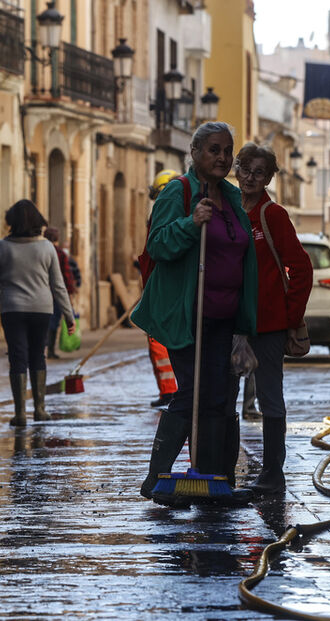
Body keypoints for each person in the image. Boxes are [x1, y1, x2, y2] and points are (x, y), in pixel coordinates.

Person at [130, 122, 257, 500]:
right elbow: (159, 244)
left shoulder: (232, 198)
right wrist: (191, 223)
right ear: (196, 153)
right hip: (187, 314)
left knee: (221, 396)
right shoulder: (178, 192)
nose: (222, 157)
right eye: (213, 149)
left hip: (225, 317)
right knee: (194, 392)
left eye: (227, 150)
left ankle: (217, 480)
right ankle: (156, 478)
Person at [228, 142, 312, 495]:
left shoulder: (272, 215)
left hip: (268, 324)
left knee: (269, 396)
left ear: (268, 178)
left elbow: (301, 267)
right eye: (245, 168)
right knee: (222, 393)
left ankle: (273, 473)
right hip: (230, 321)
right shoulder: (227, 208)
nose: (249, 176)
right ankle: (220, 468)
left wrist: (288, 315)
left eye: (258, 172)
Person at [0, 200, 75, 427]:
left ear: (11, 221)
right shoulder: (46, 247)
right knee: (37, 355)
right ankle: (40, 410)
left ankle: (20, 413)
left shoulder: (1, 248)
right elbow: (58, 285)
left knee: (17, 356)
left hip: (12, 309)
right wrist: (69, 315)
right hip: (41, 309)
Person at [143, 169, 181, 409]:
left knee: (158, 341)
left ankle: (170, 391)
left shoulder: (166, 216)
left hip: (163, 290)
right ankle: (171, 391)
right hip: (159, 286)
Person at [42, 226, 76, 359]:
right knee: (54, 321)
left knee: (44, 321)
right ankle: (50, 349)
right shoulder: (61, 254)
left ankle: (43, 348)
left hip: (43, 293)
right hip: (56, 294)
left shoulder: (41, 252)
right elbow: (66, 276)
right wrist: (70, 293)